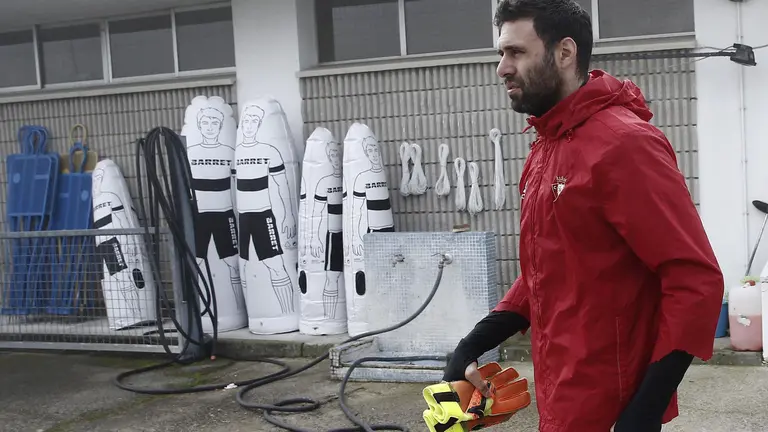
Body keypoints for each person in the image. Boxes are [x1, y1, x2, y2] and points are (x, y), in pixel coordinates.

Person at [442, 1, 725, 431]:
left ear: (564, 52)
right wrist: (475, 341)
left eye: (516, 52)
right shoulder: (547, 144)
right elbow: (548, 265)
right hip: (560, 394)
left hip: (611, 407)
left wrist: (645, 411)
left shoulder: (624, 144)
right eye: (501, 53)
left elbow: (695, 280)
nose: (502, 68)